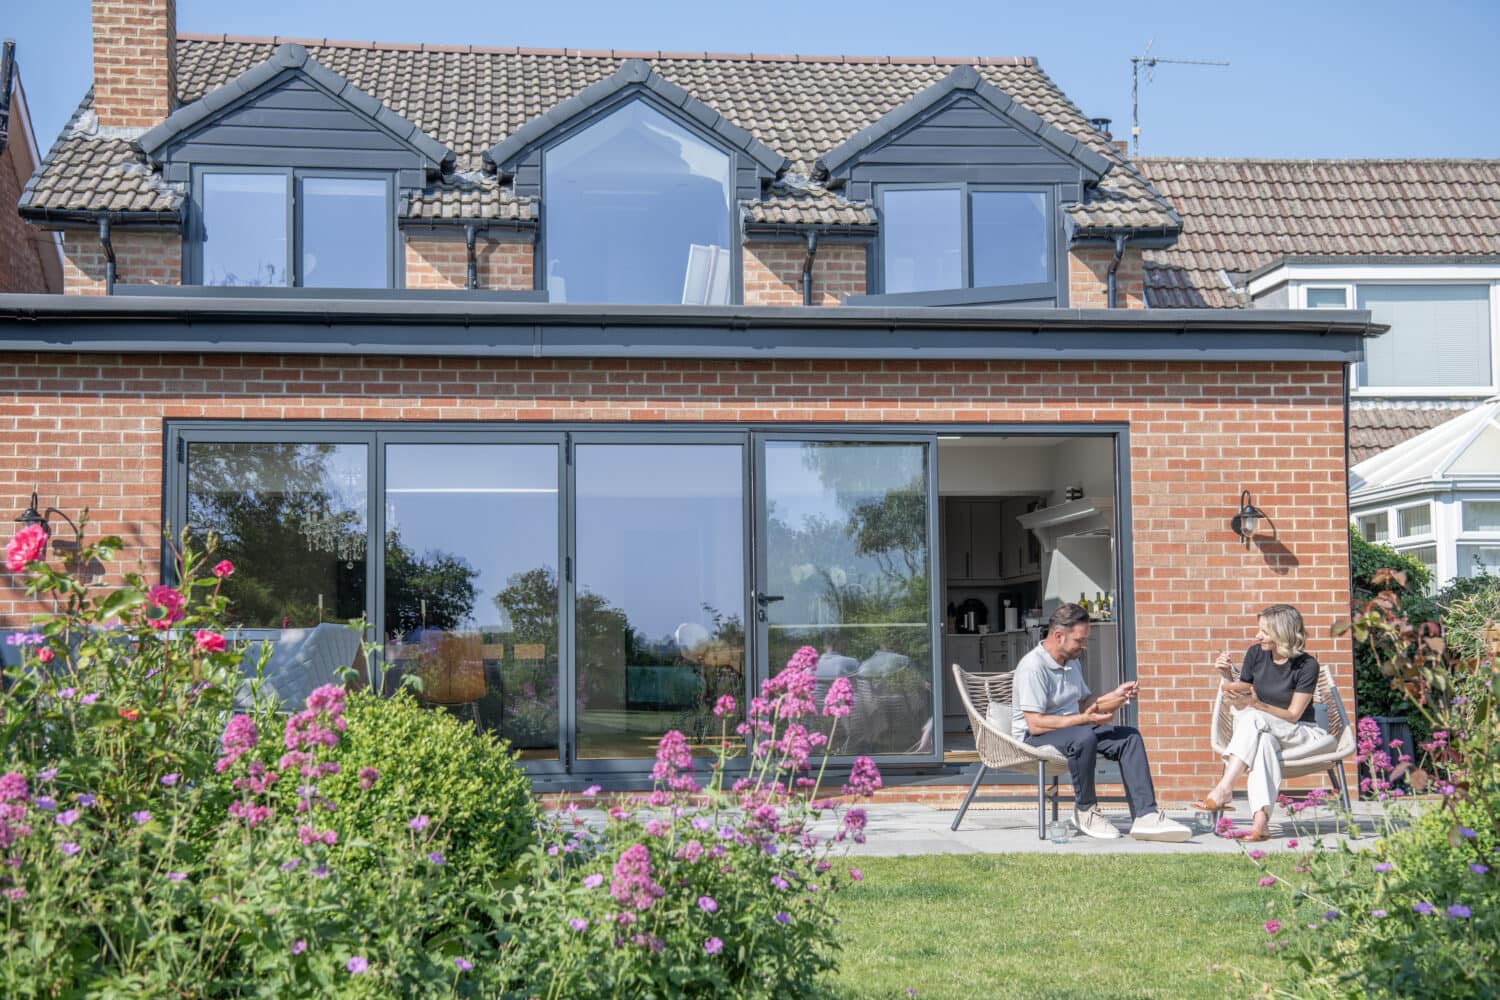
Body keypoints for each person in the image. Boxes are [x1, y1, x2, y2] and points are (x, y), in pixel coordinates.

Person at [1012, 603, 1190, 842]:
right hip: (1035, 738)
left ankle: (1145, 815)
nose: (1084, 646)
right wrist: (1083, 720)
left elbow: (1086, 703)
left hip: (1072, 729)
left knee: (1129, 737)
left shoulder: (1071, 662)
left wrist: (1116, 696)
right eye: (1079, 640)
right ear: (1058, 636)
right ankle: (1085, 810)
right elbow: (1035, 724)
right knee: (1084, 737)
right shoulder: (1033, 667)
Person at [1191, 604, 1334, 841]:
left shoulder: (1307, 665)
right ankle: (1260, 823)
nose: (1258, 636)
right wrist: (1226, 676)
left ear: (1283, 633)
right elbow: (1240, 698)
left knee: (1254, 717)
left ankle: (1225, 788)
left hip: (1301, 734)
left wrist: (1256, 706)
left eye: (1265, 632)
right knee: (1263, 743)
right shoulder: (1256, 654)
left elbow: (1293, 714)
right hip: (1263, 732)